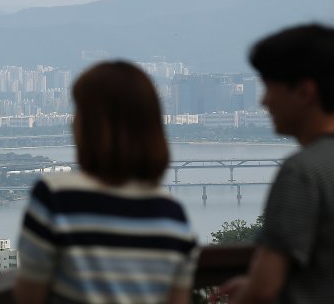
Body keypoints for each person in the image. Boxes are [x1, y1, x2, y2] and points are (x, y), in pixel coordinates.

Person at [212, 24, 334, 304]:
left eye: (269, 88)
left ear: (304, 92)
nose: (264, 102)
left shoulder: (301, 173)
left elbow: (263, 290)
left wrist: (249, 290)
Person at [14, 61, 199, 304]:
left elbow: (29, 296)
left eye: (78, 111)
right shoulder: (173, 216)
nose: (71, 121)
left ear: (91, 126)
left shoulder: (56, 197)